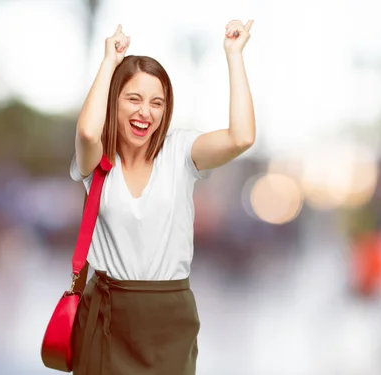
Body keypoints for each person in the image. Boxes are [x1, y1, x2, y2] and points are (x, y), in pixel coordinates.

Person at [69, 19, 255, 375]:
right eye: (133, 99)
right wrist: (109, 62)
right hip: (106, 315)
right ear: (114, 101)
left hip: (169, 317)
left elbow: (241, 137)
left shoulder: (181, 151)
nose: (145, 112)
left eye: (157, 102)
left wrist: (234, 55)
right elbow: (87, 131)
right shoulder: (97, 161)